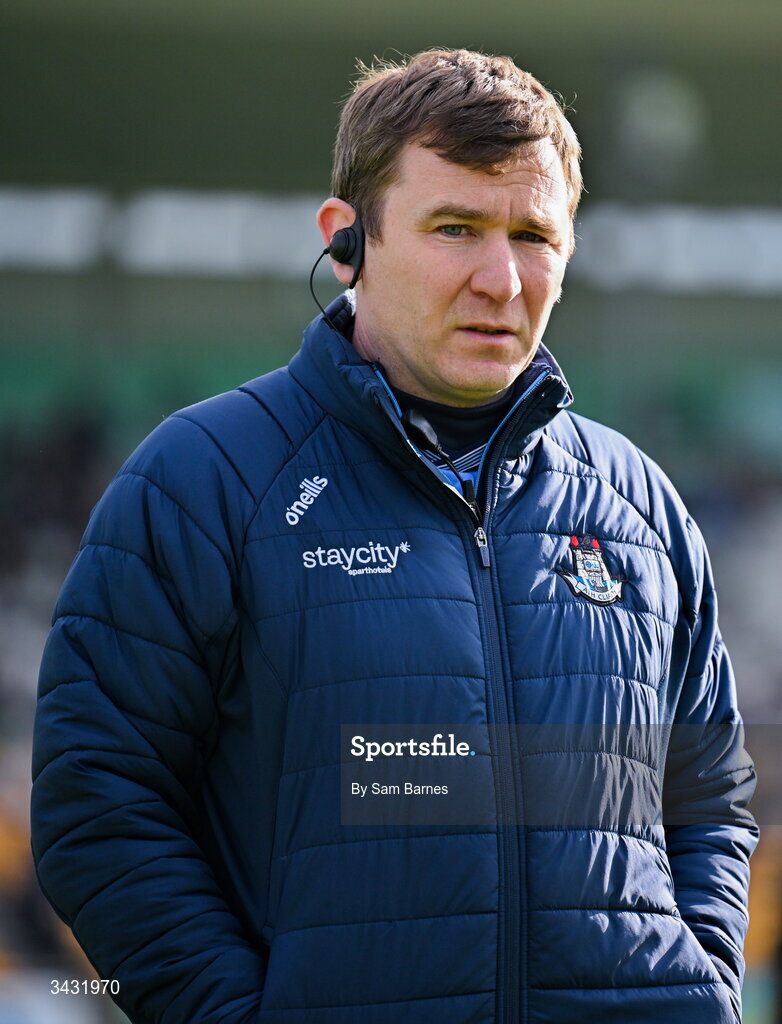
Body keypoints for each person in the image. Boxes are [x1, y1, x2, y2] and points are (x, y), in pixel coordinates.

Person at [31, 49, 757, 1024]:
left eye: (533, 234)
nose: (500, 278)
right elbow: (98, 804)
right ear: (347, 241)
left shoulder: (639, 504)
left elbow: (706, 797)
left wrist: (699, 983)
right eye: (454, 228)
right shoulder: (203, 479)